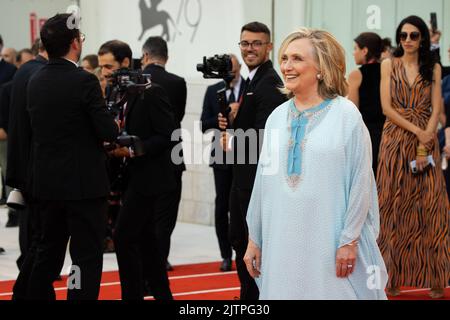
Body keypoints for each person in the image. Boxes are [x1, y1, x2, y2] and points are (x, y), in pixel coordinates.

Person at [243, 28, 388, 300]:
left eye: (297, 58)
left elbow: (361, 182)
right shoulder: (276, 117)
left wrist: (349, 240)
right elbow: (263, 181)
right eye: (284, 58)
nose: (286, 66)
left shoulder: (346, 115)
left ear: (321, 67)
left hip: (328, 241)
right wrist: (255, 238)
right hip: (281, 240)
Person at [25, 14, 119, 300]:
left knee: (47, 251)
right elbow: (107, 130)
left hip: (47, 184)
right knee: (85, 257)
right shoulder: (84, 81)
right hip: (83, 187)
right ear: (76, 43)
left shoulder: (35, 79)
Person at [377, 15, 450, 299]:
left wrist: (424, 141)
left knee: (432, 209)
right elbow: (387, 107)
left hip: (426, 140)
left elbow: (435, 108)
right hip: (395, 141)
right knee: (393, 209)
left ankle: (436, 279)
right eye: (403, 35)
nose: (407, 40)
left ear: (423, 39)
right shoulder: (388, 65)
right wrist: (417, 132)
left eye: (414, 35)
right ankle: (391, 278)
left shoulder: (433, 67)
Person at [99, 40, 176, 300]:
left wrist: (132, 149)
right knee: (146, 241)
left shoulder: (150, 91)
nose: (104, 72)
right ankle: (163, 294)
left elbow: (169, 136)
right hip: (129, 177)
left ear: (125, 63)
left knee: (123, 237)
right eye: (101, 67)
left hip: (150, 177)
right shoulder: (115, 92)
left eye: (108, 66)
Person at [218, 22, 287, 300]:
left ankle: (253, 297)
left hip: (254, 182)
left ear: (269, 46)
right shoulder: (253, 79)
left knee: (249, 243)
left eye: (256, 43)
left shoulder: (269, 81)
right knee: (240, 240)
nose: (250, 48)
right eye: (245, 43)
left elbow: (265, 136)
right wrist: (234, 122)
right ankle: (248, 294)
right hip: (244, 178)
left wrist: (233, 140)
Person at [141, 36, 187, 271]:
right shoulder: (177, 82)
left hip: (144, 155)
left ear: (145, 56)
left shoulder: (138, 81)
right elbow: (176, 118)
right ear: (166, 58)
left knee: (145, 214)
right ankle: (160, 260)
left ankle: (147, 262)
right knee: (165, 216)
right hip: (171, 155)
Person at [201, 54, 244, 272]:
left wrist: (240, 112)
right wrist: (221, 118)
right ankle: (225, 255)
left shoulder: (249, 87)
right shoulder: (213, 90)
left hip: (245, 154)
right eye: (228, 72)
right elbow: (203, 124)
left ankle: (241, 252)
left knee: (241, 206)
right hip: (221, 156)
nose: (231, 75)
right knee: (222, 207)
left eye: (234, 71)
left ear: (240, 69)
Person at [348, 32, 386, 174]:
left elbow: (352, 112)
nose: (353, 53)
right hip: (388, 135)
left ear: (365, 51)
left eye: (355, 48)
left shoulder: (356, 75)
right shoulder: (388, 71)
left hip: (367, 136)